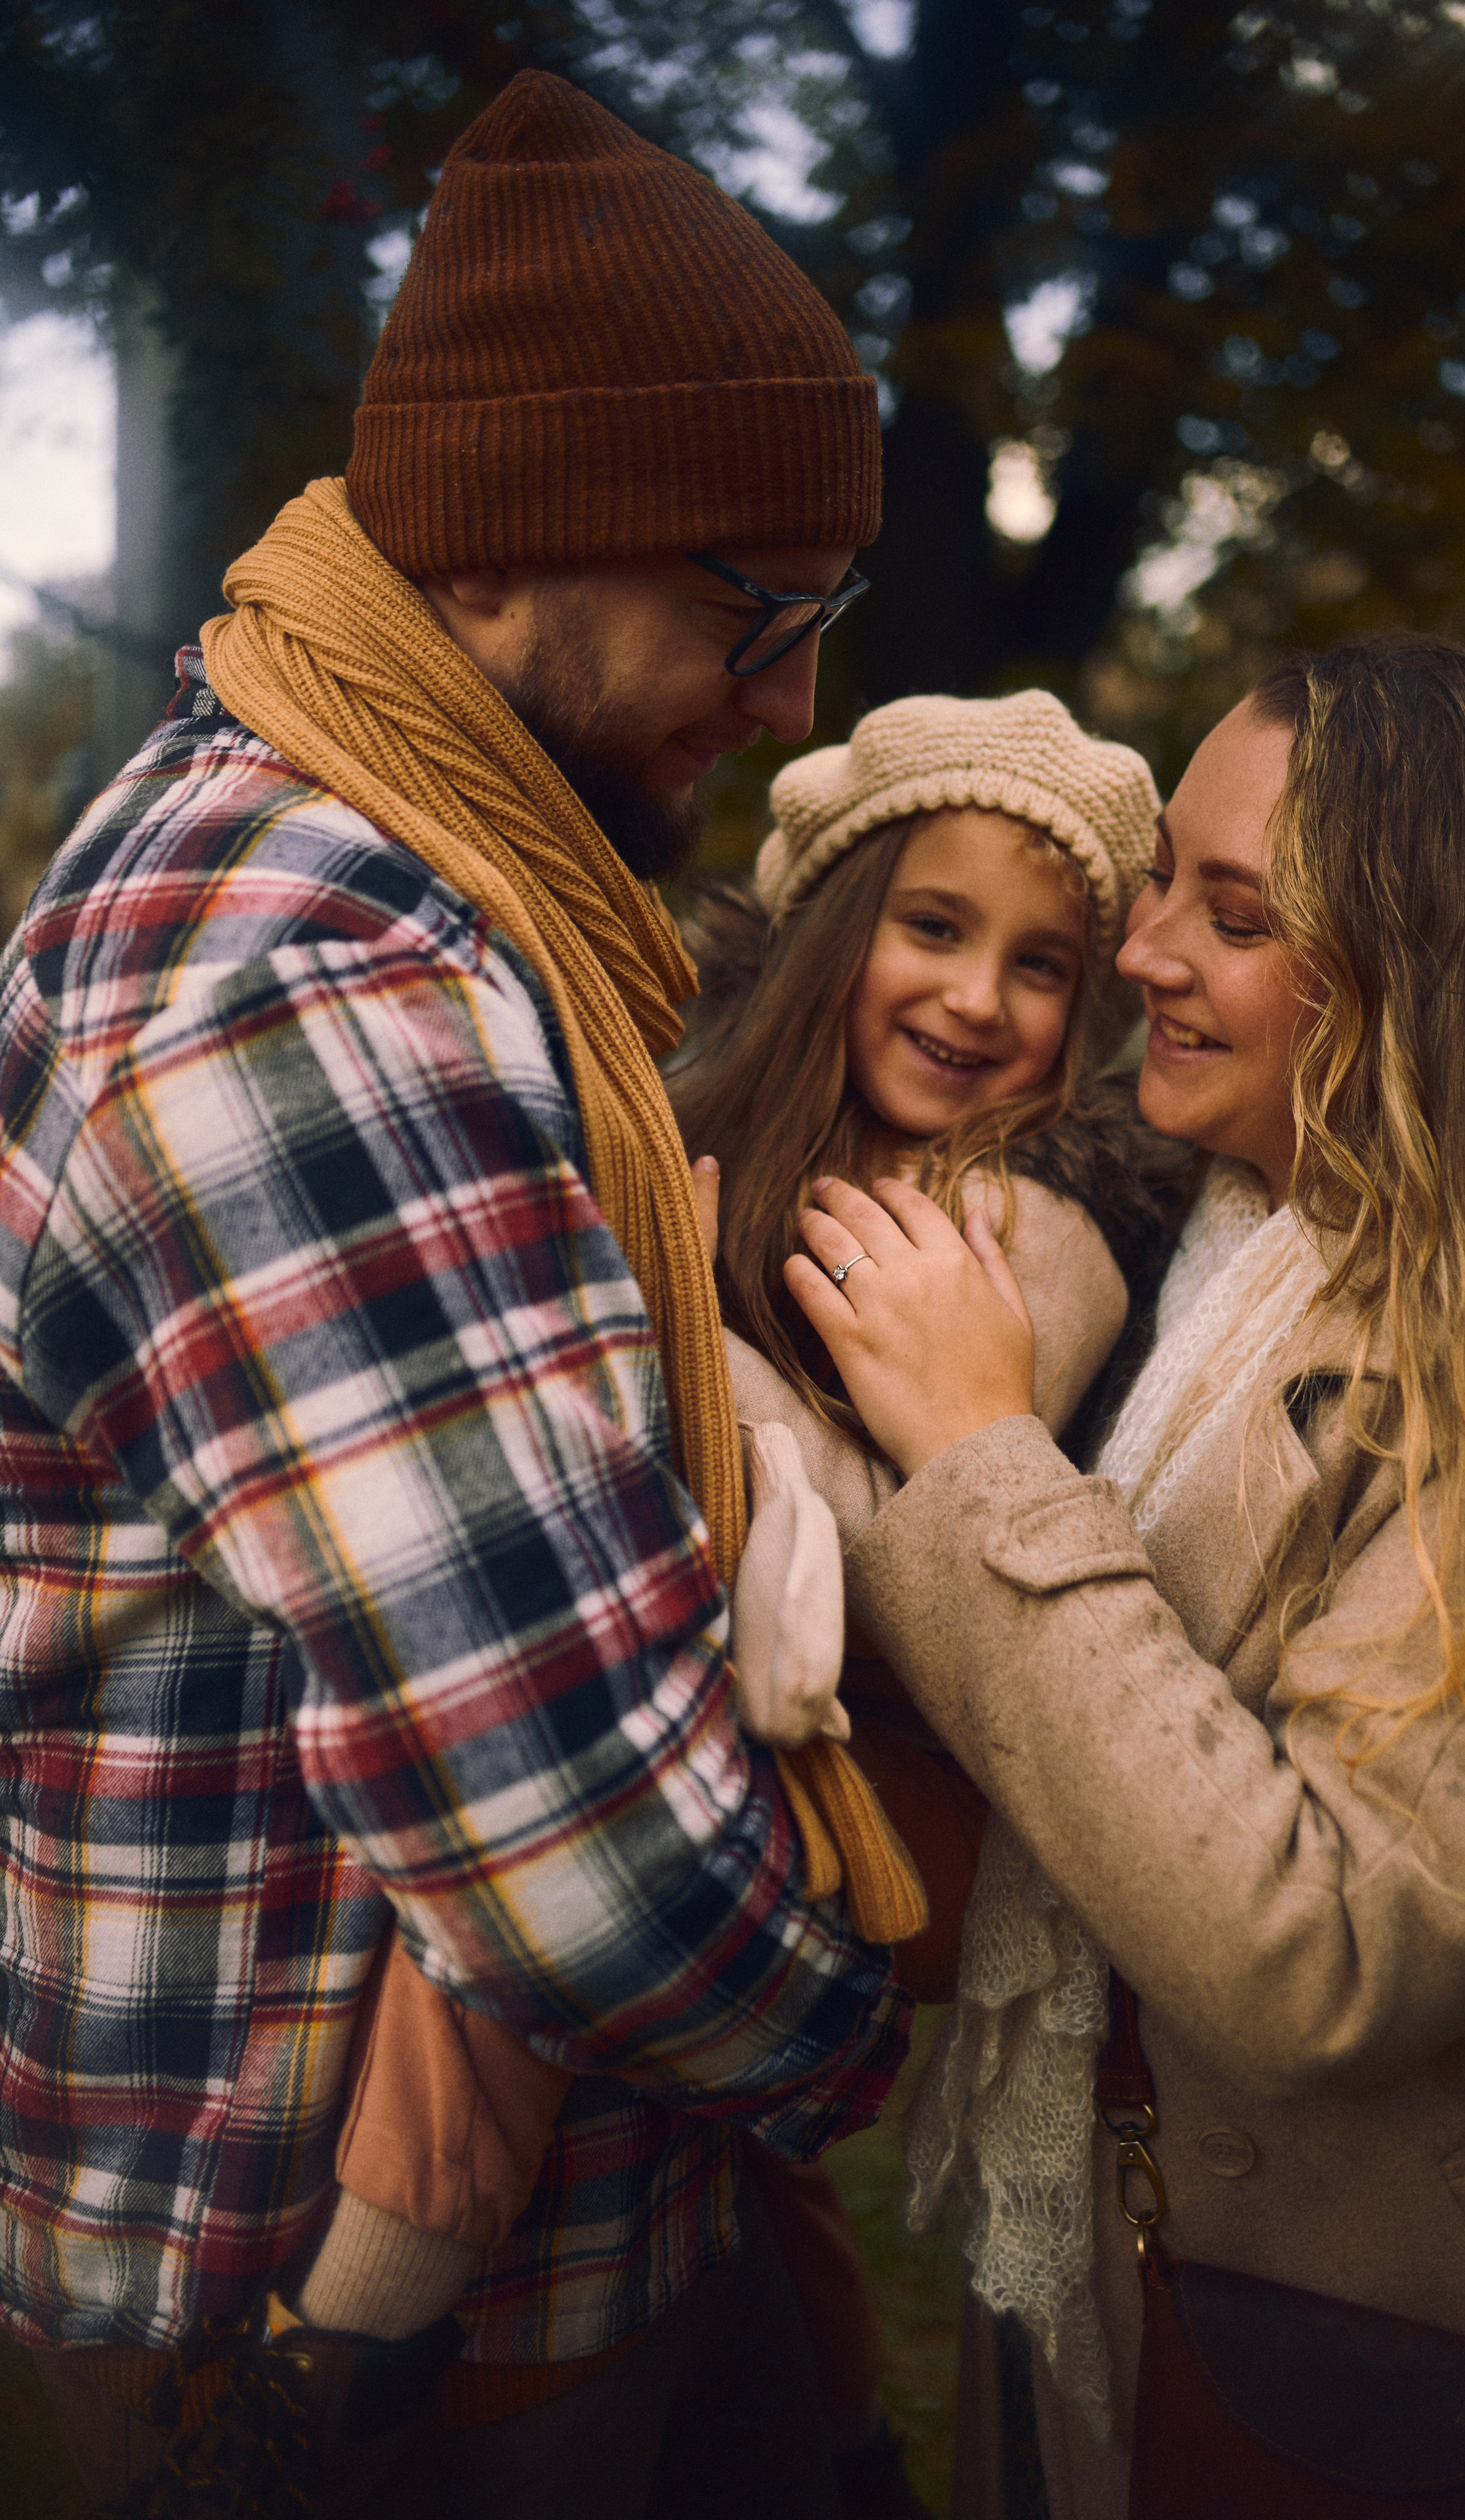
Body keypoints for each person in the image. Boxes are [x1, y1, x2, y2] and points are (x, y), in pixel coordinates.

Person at [0, 67, 917, 2520]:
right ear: (523, 544)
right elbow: (583, 1857)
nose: (794, 699)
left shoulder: (444, 893)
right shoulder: (306, 979)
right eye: (759, 607)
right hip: (321, 2339)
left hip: (512, 2238)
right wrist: (882, 2029)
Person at [782, 635, 1465, 2517]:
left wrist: (981, 1457)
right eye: (1167, 879)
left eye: (1236, 912)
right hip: (1102, 2266)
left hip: (1374, 2356)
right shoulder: (1212, 1226)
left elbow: (1324, 1954)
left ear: (1424, 967)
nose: (1141, 953)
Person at [310, 688, 1187, 2513]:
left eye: (1042, 969)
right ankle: (843, 2435)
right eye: (933, 927)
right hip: (772, 1696)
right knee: (694, 2127)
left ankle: (364, 2314)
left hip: (909, 1767)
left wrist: (678, 1348)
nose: (975, 999)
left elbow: (922, 1526)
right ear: (831, 931)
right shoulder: (706, 1139)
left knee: (542, 1833)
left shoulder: (1040, 1215)